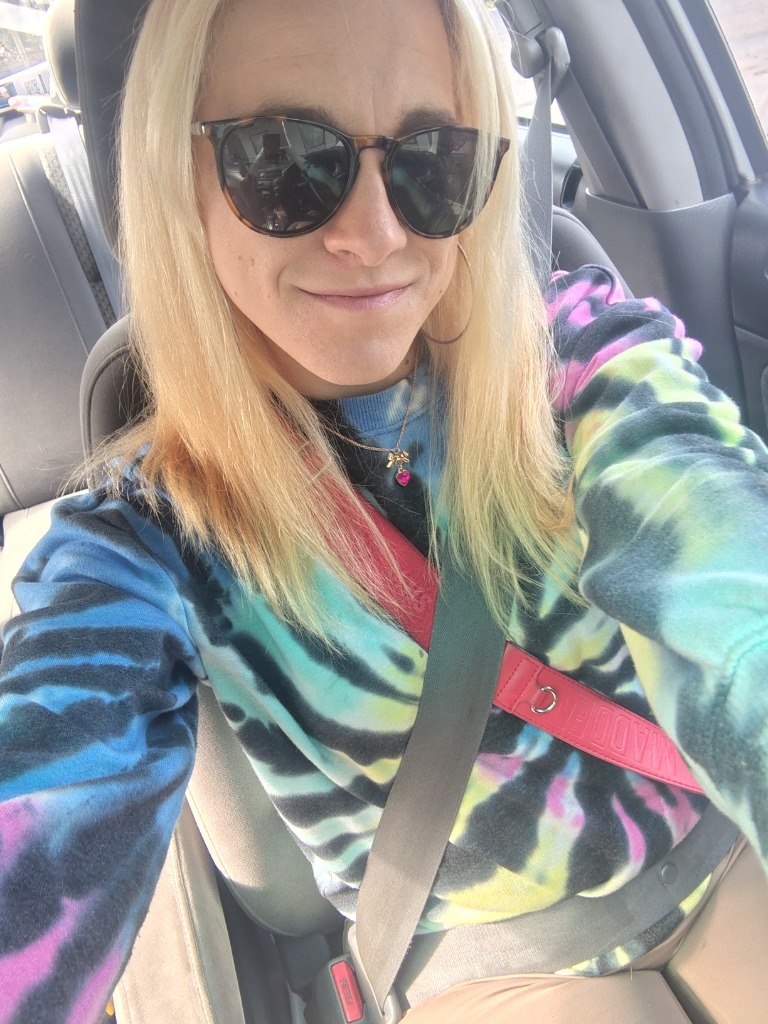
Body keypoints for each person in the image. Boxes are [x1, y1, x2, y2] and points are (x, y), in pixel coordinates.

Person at [1, 0, 767, 1021]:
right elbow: (43, 811)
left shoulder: (582, 357)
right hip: (488, 965)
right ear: (175, 176)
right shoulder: (143, 540)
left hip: (723, 850)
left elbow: (729, 582)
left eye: (432, 161)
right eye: (285, 161)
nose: (375, 234)